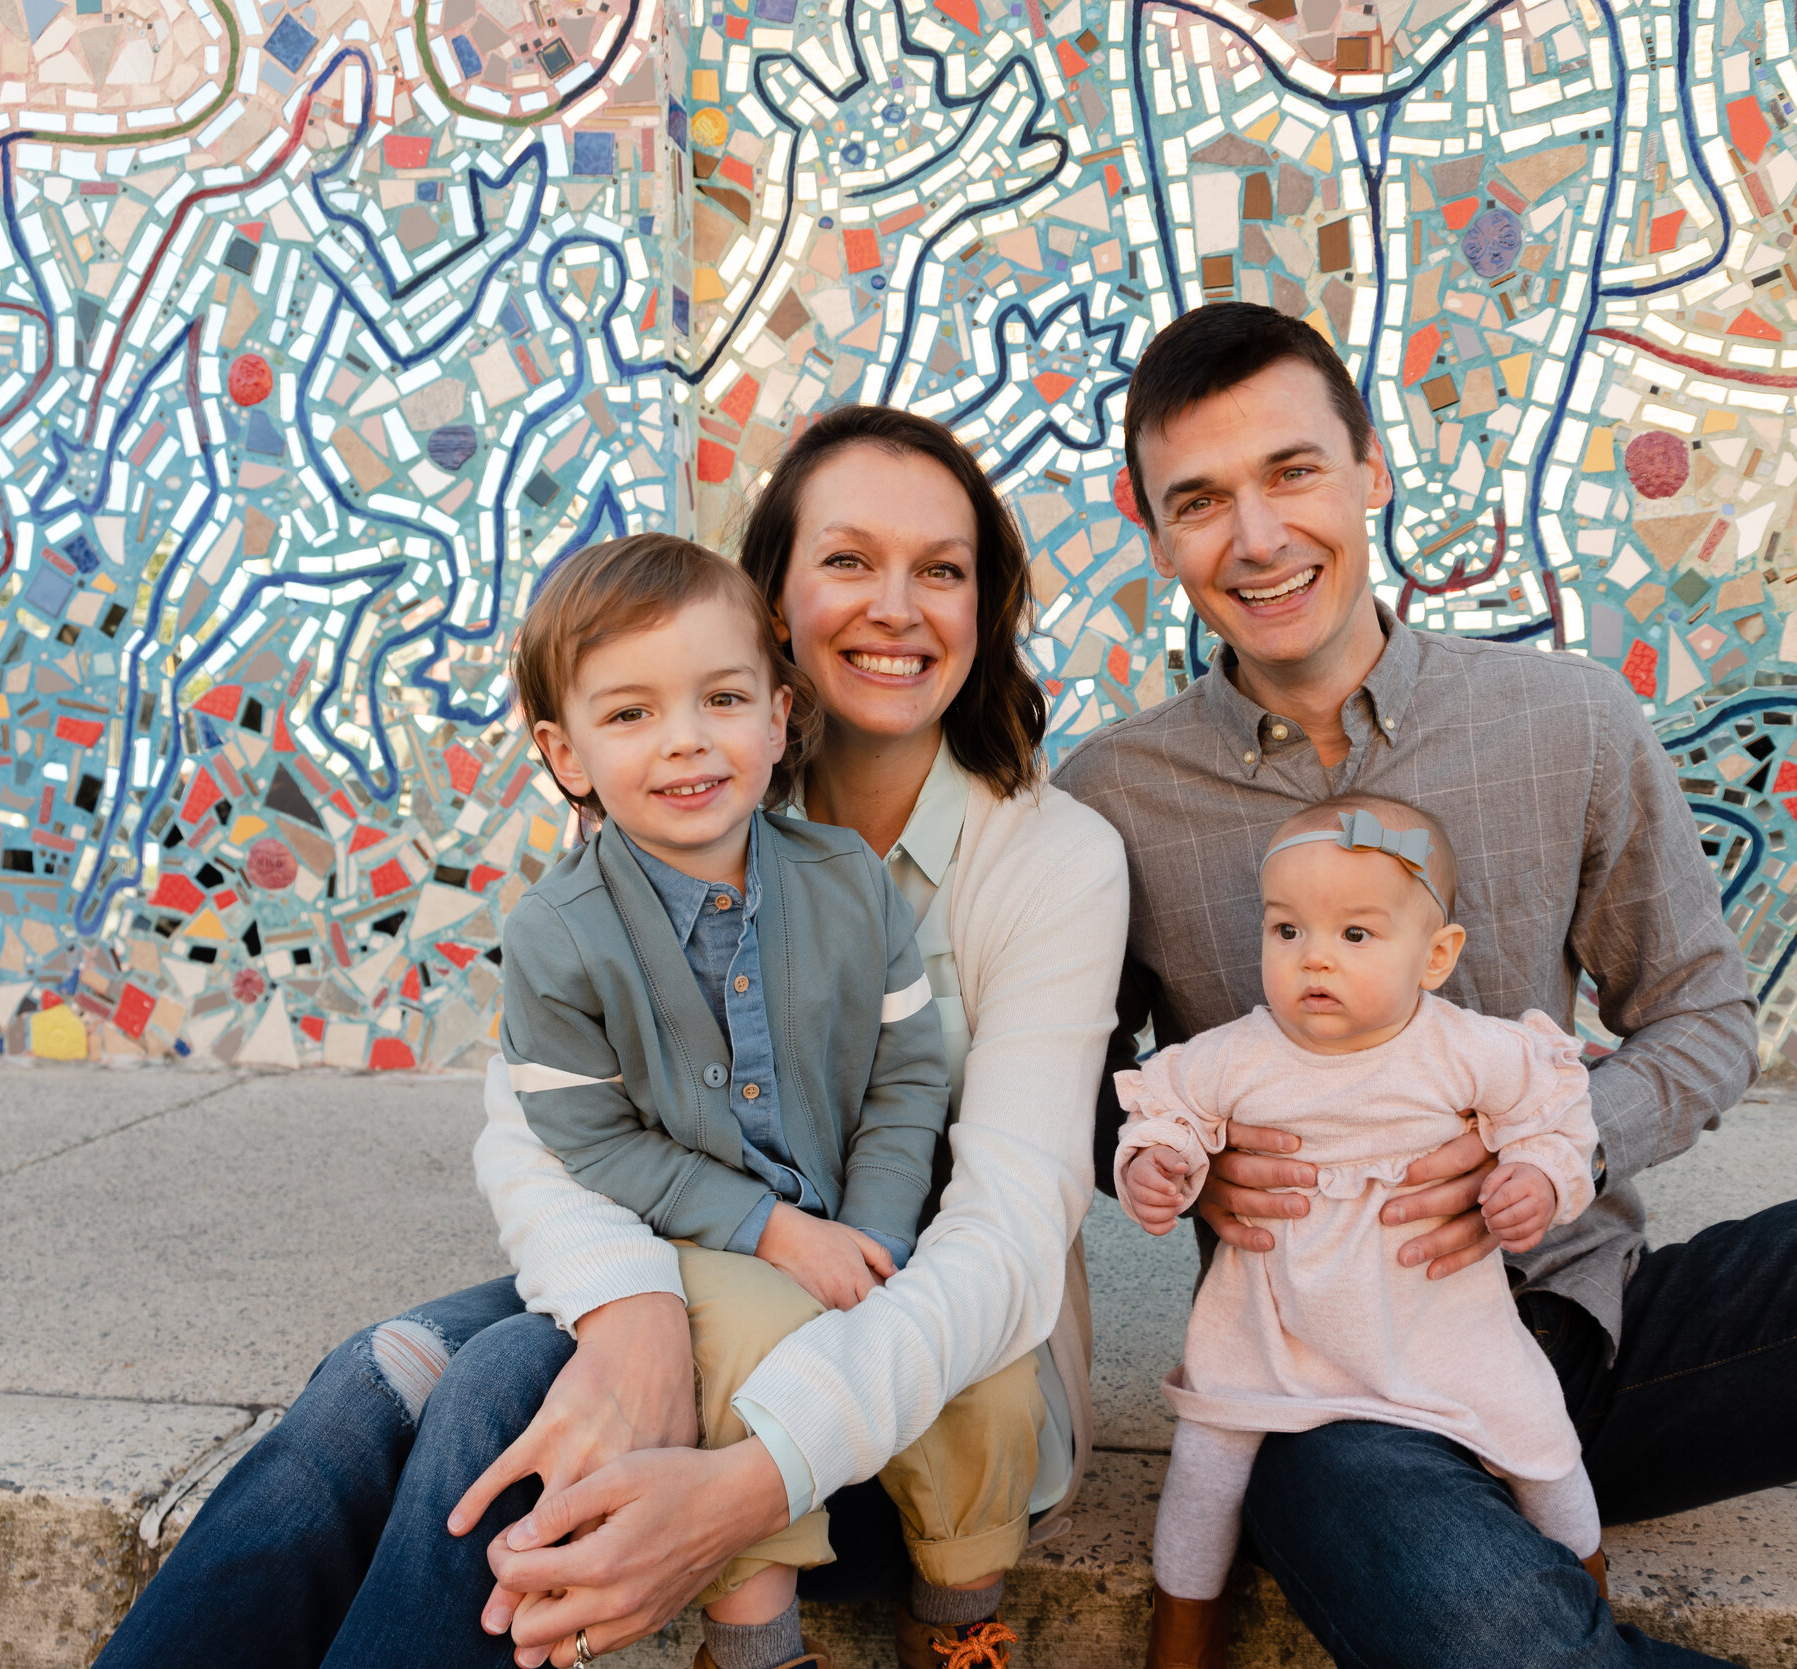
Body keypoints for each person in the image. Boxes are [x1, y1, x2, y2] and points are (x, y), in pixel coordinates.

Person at [1051, 299, 1797, 1668]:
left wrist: (1564, 1138)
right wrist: (1180, 1161)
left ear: (1369, 469)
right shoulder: (1110, 799)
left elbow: (1700, 1017)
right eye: (1201, 499)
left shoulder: (1564, 720)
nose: (1259, 538)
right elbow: (1071, 1090)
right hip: (1330, 1392)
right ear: (1151, 526)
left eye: (1290, 472)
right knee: (1493, 1637)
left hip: (1599, 1327)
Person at [93, 406, 1128, 1669]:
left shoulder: (1050, 858)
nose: (897, 606)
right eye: (848, 561)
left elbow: (1012, 1237)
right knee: (367, 1390)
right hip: (715, 1267)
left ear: (987, 600)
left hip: (930, 1393)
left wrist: (751, 1475)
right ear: (773, 603)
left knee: (494, 1387)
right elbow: (538, 1123)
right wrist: (632, 1309)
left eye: (943, 569)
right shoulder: (685, 782)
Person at [499, 531, 1045, 1669]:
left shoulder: (846, 880)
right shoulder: (555, 936)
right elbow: (586, 1133)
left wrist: (880, 1229)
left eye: (722, 697)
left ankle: (959, 1615)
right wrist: (769, 1229)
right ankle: (754, 1643)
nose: (687, 740)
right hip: (699, 1231)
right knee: (751, 1337)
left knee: (983, 1368)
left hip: (860, 1214)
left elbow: (909, 1076)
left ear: (780, 714)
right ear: (566, 752)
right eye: (631, 713)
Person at [1115, 794, 1605, 1668]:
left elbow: (1553, 1112)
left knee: (1543, 1443)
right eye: (1287, 930)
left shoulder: (1467, 1049)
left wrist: (1536, 1175)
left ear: (1437, 955)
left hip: (1440, 1324)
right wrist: (1156, 1168)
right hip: (1272, 1327)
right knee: (1202, 1471)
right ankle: (1182, 1636)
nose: (1314, 960)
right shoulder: (1239, 1053)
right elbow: (1169, 1112)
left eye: (1354, 935)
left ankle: (1593, 1602)